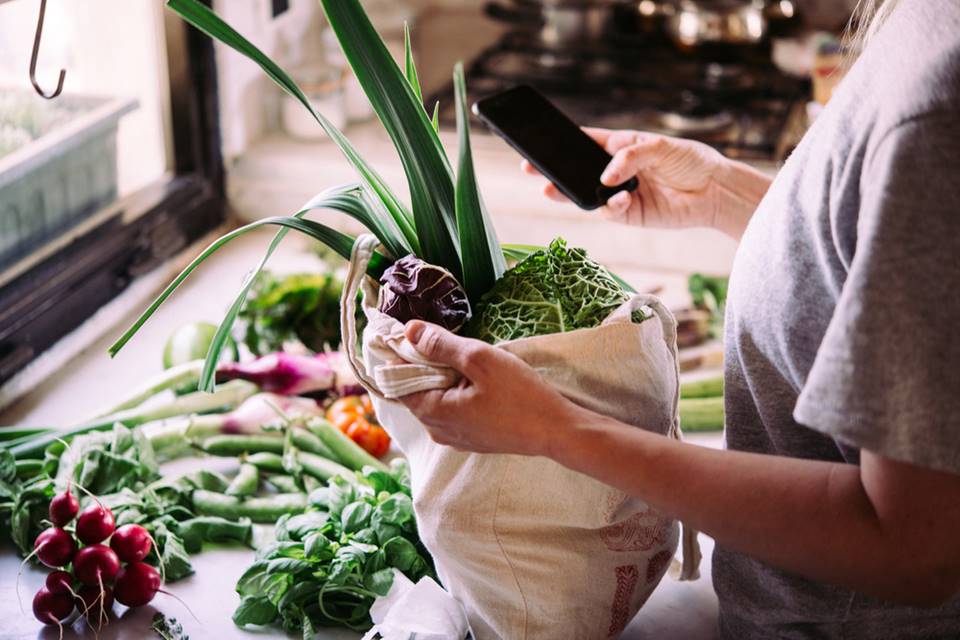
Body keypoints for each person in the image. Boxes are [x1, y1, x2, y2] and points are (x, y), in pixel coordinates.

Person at [395, 0, 960, 637]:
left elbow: (915, 546)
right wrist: (728, 196)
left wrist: (559, 431)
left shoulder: (937, 108)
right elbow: (891, 268)